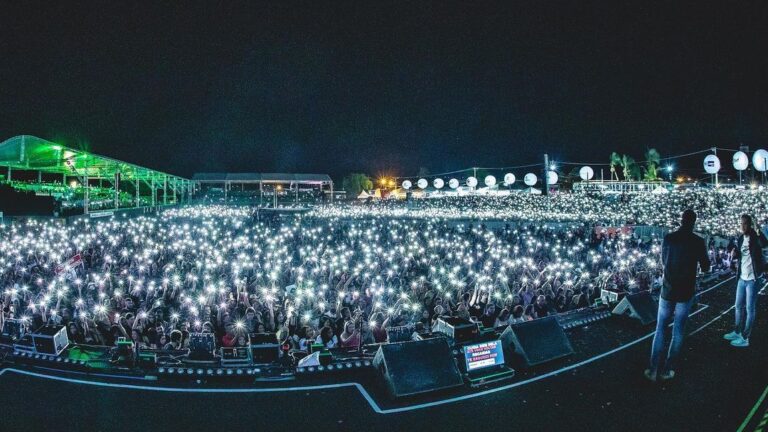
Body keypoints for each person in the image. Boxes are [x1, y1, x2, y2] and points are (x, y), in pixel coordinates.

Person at [646, 209, 710, 382]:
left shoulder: (669, 238)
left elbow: (663, 261)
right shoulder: (698, 241)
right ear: (694, 222)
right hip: (685, 292)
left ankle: (652, 370)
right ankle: (668, 370)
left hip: (667, 290)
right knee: (678, 331)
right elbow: (706, 266)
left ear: (681, 220)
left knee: (660, 330)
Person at [724, 214, 767, 348]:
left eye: (745, 224)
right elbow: (740, 254)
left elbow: (764, 244)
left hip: (753, 279)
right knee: (738, 306)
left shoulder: (755, 237)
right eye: (741, 224)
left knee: (750, 309)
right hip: (742, 278)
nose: (742, 226)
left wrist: (758, 229)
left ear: (750, 225)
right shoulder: (741, 238)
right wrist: (734, 254)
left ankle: (745, 337)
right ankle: (737, 331)